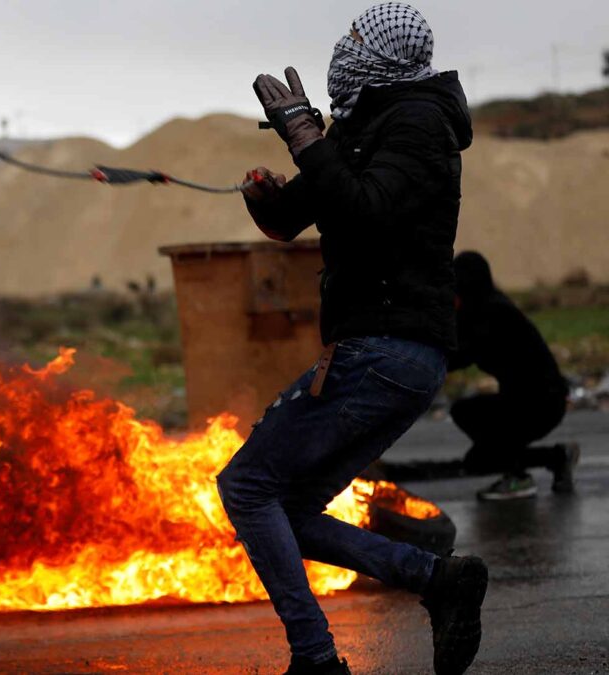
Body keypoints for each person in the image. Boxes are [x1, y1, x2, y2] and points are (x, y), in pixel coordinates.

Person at [214, 4, 485, 674]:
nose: (346, 50)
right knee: (292, 508)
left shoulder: (418, 123)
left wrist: (305, 133)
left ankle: (315, 658)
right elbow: (302, 214)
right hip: (383, 354)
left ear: (389, 58)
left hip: (387, 348)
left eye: (360, 41)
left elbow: (365, 212)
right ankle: (436, 579)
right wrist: (268, 196)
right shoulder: (369, 121)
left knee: (248, 486)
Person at [446, 251, 578, 499]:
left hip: (540, 404)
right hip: (533, 401)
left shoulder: (492, 313)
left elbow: (462, 353)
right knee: (477, 449)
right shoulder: (485, 308)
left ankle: (518, 477)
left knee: (478, 450)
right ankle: (555, 457)